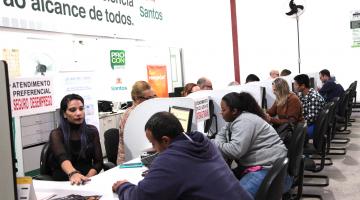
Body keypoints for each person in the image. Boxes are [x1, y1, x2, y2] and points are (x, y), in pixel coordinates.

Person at [112, 112, 252, 200]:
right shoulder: (202, 141)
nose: (153, 149)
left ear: (165, 140)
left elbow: (140, 197)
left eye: (153, 143)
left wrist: (123, 186)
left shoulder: (169, 160)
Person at [212, 92, 288, 198]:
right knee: (221, 183)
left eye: (224, 110)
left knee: (236, 196)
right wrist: (218, 142)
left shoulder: (244, 121)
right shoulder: (237, 119)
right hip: (268, 166)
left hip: (270, 172)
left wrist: (214, 143)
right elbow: (221, 134)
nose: (221, 113)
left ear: (234, 111)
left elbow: (235, 151)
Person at [48, 94, 103, 185]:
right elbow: (62, 157)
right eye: (72, 110)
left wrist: (86, 178)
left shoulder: (92, 131)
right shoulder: (56, 134)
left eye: (81, 109)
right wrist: (73, 173)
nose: (78, 113)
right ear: (64, 114)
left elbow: (98, 162)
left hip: (87, 180)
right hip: (65, 181)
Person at [117, 81, 156, 164]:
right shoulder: (131, 115)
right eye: (149, 98)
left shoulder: (143, 111)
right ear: (137, 98)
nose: (152, 100)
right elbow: (137, 143)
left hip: (140, 156)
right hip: (128, 161)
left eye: (154, 96)